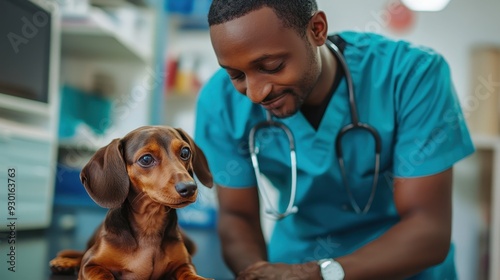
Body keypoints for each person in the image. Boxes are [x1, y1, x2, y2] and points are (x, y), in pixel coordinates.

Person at [194, 0, 475, 279]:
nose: (255, 93)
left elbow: (427, 228)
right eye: (236, 75)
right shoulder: (220, 102)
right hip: (294, 263)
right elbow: (236, 217)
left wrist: (320, 275)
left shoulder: (412, 75)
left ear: (317, 29)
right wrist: (258, 274)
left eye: (272, 66)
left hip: (404, 268)